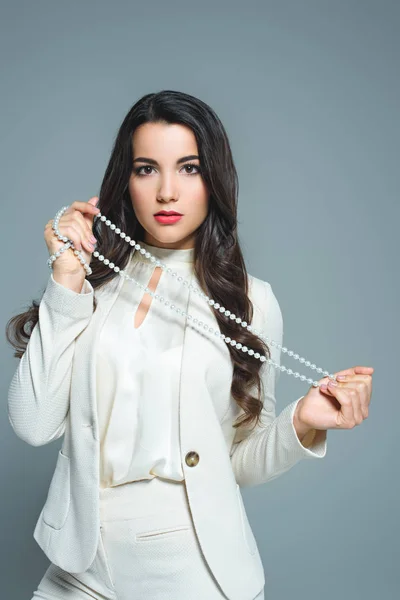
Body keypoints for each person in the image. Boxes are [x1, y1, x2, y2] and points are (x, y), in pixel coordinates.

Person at [6, 90, 373, 600]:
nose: (167, 192)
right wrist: (66, 278)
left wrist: (302, 422)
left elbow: (237, 460)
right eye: (146, 169)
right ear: (125, 180)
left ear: (213, 179)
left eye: (189, 168)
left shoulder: (252, 302)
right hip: (80, 564)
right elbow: (32, 422)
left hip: (190, 568)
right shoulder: (93, 283)